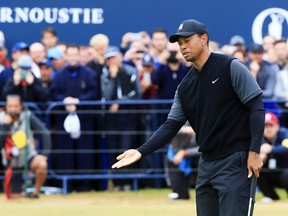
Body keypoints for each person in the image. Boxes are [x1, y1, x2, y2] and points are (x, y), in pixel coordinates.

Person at [112, 19, 265, 215]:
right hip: (207, 164)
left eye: (187, 40)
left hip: (236, 162)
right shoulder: (185, 87)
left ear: (203, 39)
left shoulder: (230, 66)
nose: (182, 47)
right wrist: (141, 151)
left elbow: (257, 109)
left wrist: (254, 153)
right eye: (179, 43)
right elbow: (170, 126)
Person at [0, 94, 51, 198]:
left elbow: (45, 132)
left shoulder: (27, 116)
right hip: (11, 163)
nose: (13, 109)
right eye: (10, 106)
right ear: (6, 107)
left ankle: (36, 192)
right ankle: (20, 192)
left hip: (28, 157)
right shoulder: (1, 119)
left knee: (42, 164)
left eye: (15, 106)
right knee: (14, 198)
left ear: (21, 106)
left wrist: (45, 154)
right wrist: (5, 126)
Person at [258, 112, 288, 203]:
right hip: (271, 173)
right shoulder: (260, 138)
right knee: (258, 172)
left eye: (271, 125)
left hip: (284, 172)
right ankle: (271, 198)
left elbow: (286, 148)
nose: (268, 129)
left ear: (277, 125)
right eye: (266, 126)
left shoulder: (284, 133)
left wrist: (270, 149)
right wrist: (262, 155)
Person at [165, 124, 200, 200]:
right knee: (182, 195)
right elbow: (168, 128)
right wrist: (185, 130)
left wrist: (184, 153)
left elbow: (203, 148)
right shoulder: (182, 123)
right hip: (176, 160)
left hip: (195, 160)